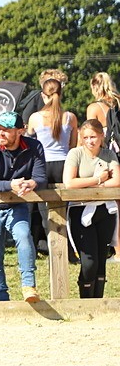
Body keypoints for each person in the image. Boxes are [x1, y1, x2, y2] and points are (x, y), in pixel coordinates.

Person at [0, 111, 46, 302]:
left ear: (20, 131)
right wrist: (11, 185)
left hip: (17, 205)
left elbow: (41, 177)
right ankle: (1, 299)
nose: (0, 134)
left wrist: (32, 183)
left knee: (25, 237)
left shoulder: (34, 146)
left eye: (6, 131)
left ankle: (28, 286)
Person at [63, 119, 119, 297]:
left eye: (93, 137)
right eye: (85, 137)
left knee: (102, 258)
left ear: (101, 136)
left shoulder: (109, 154)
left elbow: (117, 180)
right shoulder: (75, 154)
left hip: (105, 210)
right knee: (89, 261)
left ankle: (98, 301)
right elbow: (70, 182)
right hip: (81, 210)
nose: (90, 141)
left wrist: (90, 187)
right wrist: (99, 180)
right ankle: (86, 300)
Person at [27, 70, 77, 249]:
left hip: (43, 165)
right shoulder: (70, 117)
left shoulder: (35, 118)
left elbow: (29, 142)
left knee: (44, 211)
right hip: (65, 165)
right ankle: (69, 247)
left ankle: (51, 245)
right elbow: (73, 145)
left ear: (43, 95)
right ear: (61, 93)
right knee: (67, 209)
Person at [86, 71, 120, 152]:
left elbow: (91, 134)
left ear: (95, 87)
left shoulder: (94, 108)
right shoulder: (118, 103)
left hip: (107, 153)